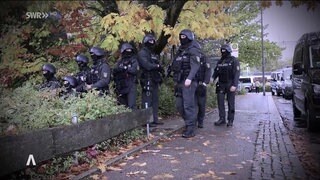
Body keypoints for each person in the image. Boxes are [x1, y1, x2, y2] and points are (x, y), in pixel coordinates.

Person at [171, 29, 201, 138]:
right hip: (179, 80)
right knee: (179, 105)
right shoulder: (180, 50)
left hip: (189, 81)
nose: (182, 39)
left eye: (184, 36)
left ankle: (190, 128)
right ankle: (190, 122)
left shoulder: (193, 49)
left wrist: (189, 78)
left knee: (188, 105)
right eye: (181, 36)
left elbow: (195, 65)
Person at [137, 34, 164, 127]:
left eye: (153, 41)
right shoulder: (142, 53)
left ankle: (154, 119)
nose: (152, 43)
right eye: (150, 41)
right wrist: (156, 66)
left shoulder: (152, 53)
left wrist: (159, 67)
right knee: (147, 100)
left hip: (154, 79)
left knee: (155, 100)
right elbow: (147, 65)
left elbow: (158, 65)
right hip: (147, 78)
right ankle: (147, 121)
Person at [212, 44, 240, 127]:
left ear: (228, 51)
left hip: (230, 84)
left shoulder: (234, 60)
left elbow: (236, 74)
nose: (223, 52)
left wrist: (234, 85)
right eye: (222, 51)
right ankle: (222, 119)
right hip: (221, 84)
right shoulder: (220, 61)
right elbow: (216, 71)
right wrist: (212, 78)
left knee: (231, 103)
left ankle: (230, 120)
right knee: (220, 102)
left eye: (224, 51)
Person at [113, 43, 138, 109]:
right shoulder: (119, 62)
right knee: (122, 107)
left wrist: (126, 68)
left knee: (131, 106)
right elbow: (114, 71)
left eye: (130, 50)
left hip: (131, 85)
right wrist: (119, 69)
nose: (128, 52)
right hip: (121, 86)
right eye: (127, 50)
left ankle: (133, 119)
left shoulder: (133, 60)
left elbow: (134, 70)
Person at [195, 50, 212, 128]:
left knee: (201, 104)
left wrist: (205, 83)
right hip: (192, 84)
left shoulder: (204, 59)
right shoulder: (191, 58)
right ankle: (193, 121)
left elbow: (208, 71)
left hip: (201, 84)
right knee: (192, 104)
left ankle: (200, 121)